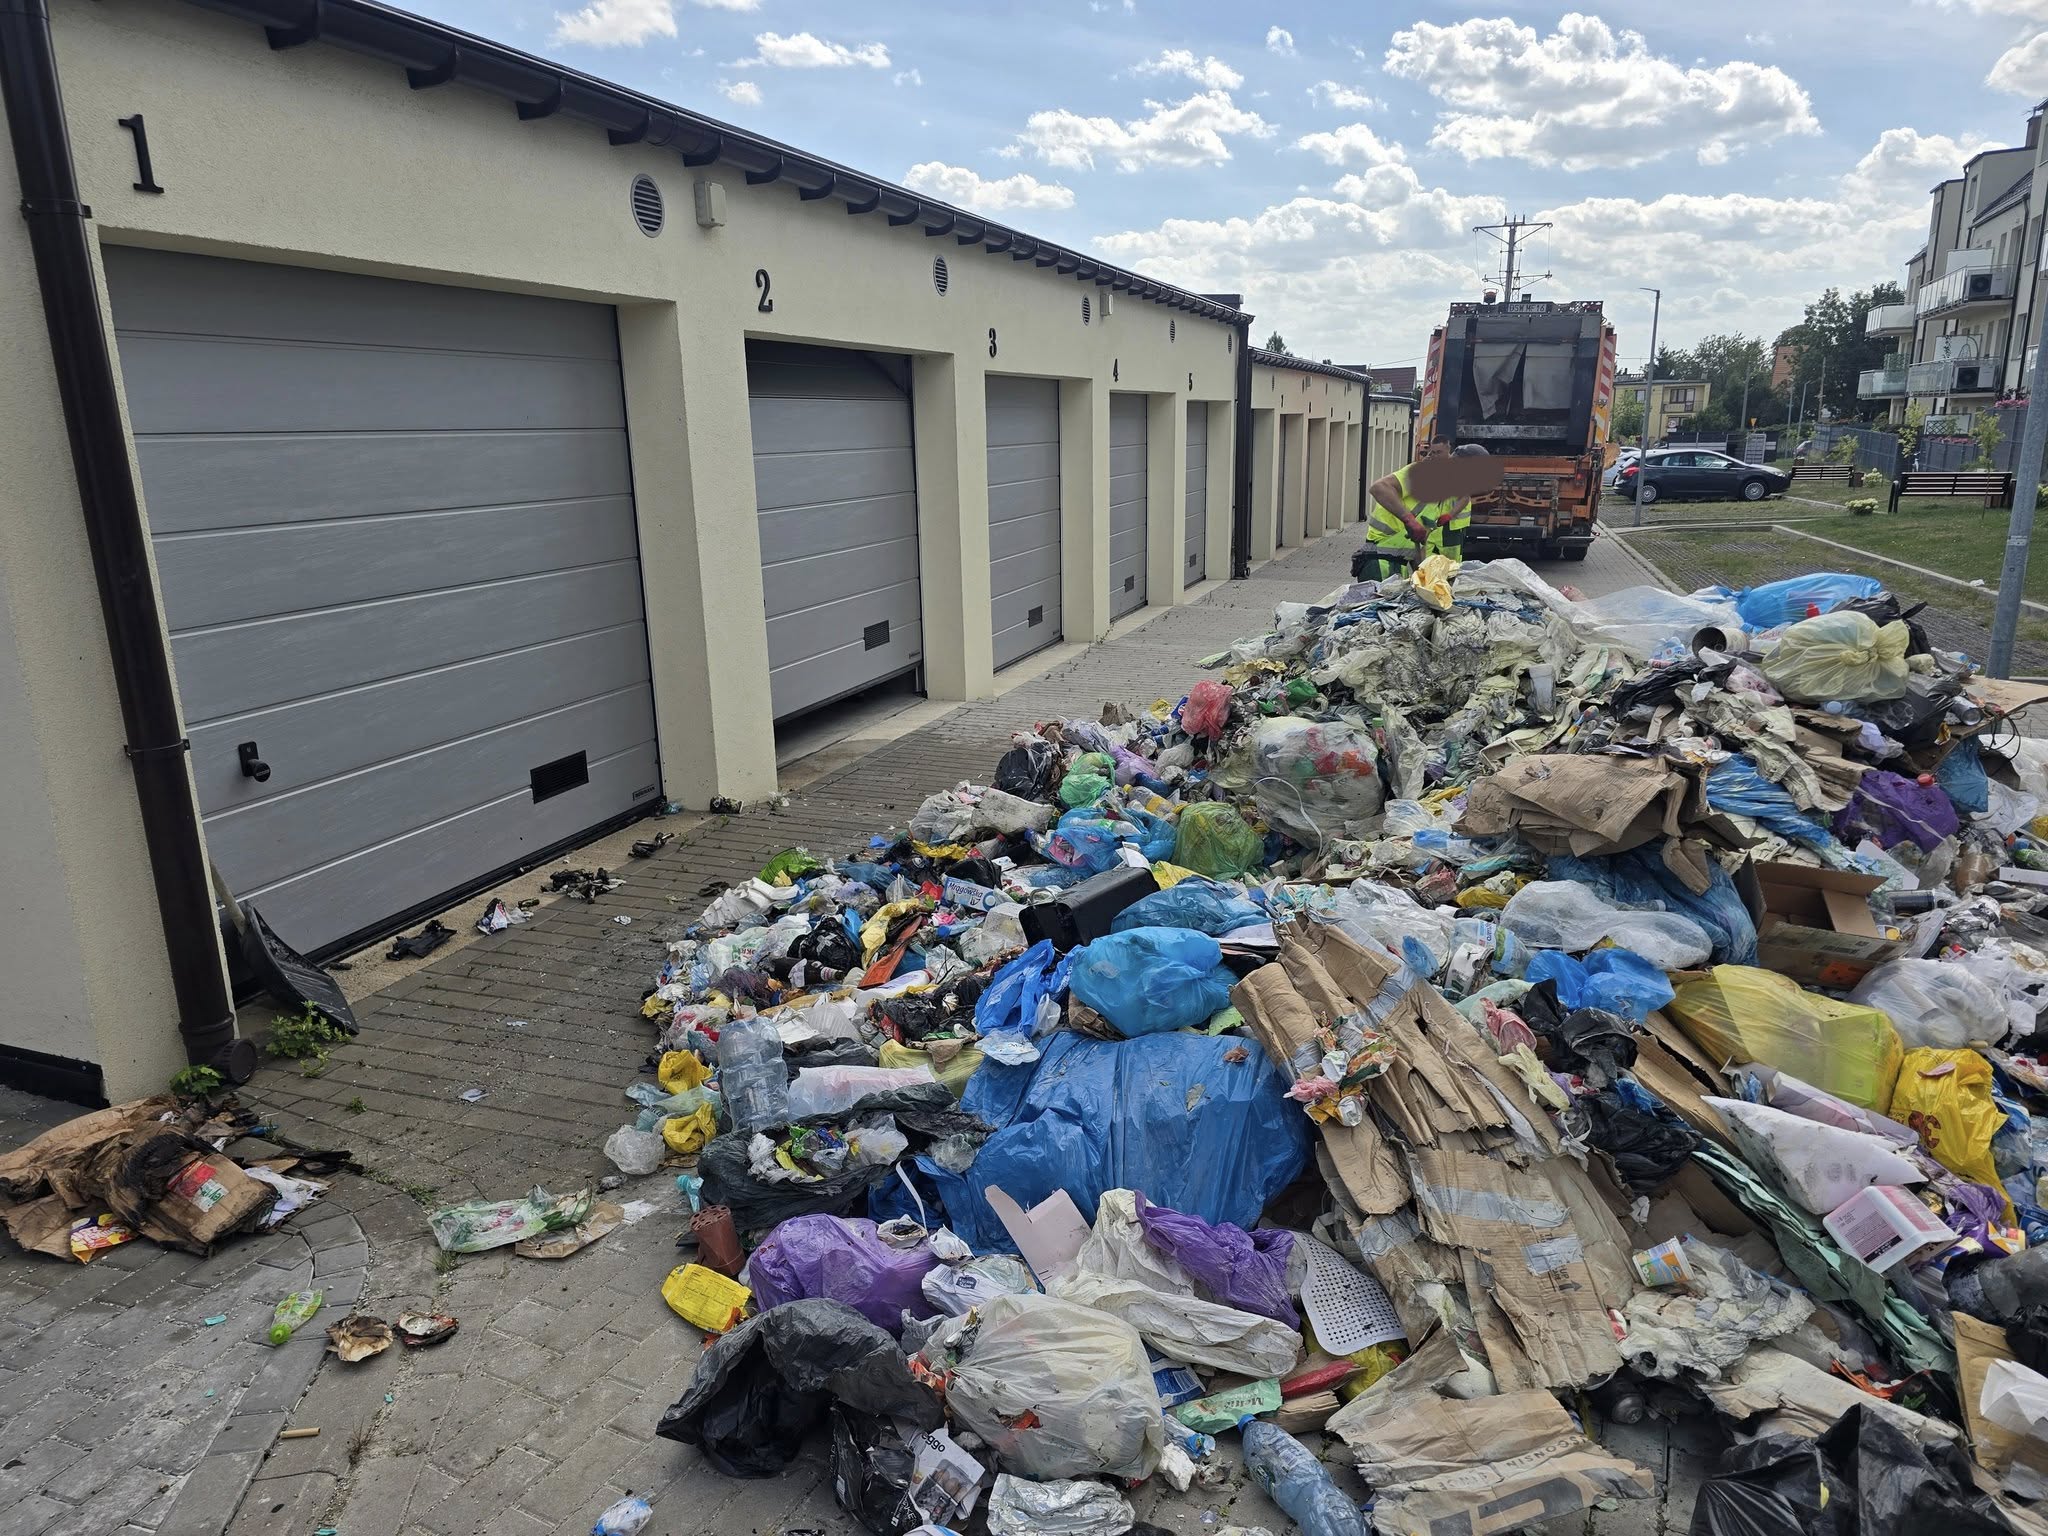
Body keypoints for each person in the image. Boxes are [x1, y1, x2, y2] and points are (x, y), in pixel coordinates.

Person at [1356, 441, 1488, 580]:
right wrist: (1409, 520)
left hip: (1397, 565)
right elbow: (1379, 488)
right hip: (1378, 563)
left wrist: (1423, 576)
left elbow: (1419, 544)